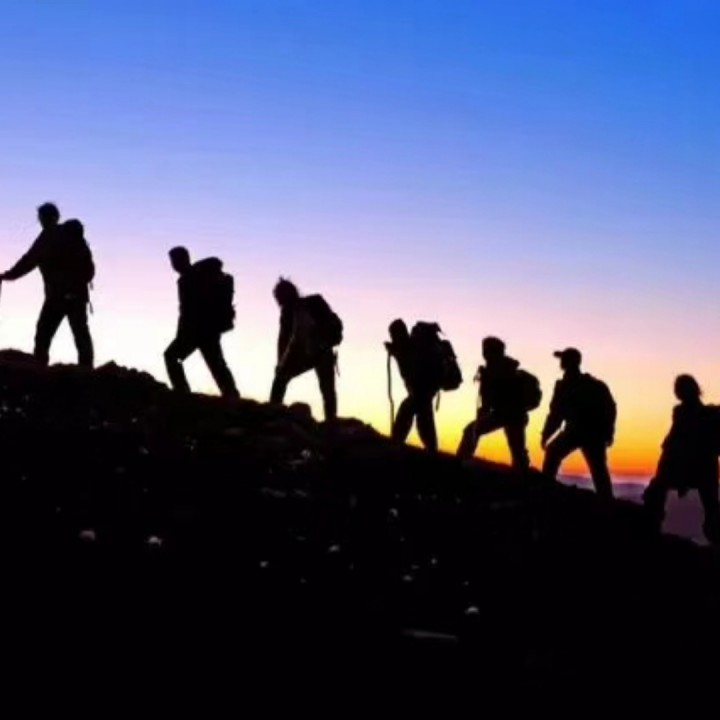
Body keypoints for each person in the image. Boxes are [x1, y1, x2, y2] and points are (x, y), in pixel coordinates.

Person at [0, 203, 95, 367]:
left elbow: (28, 261)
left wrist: (8, 275)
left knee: (43, 334)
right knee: (81, 334)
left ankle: (39, 369)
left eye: (41, 218)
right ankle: (87, 371)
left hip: (56, 296)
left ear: (45, 218)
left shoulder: (47, 237)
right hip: (78, 294)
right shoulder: (73, 236)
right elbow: (89, 268)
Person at [643, 375, 720, 545]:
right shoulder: (710, 415)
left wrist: (663, 471)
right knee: (712, 509)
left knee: (656, 491)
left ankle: (650, 530)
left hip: (688, 469)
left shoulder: (683, 413)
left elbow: (672, 444)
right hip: (704, 471)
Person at [164, 246, 240, 400]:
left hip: (197, 330)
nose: (173, 265)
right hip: (209, 329)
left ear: (184, 259)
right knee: (217, 364)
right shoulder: (197, 275)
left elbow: (187, 311)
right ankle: (231, 395)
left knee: (171, 356)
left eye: (175, 260)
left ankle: (182, 392)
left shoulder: (187, 279)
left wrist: (182, 333)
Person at [541, 348, 616, 500]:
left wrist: (546, 434)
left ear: (568, 363)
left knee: (553, 454)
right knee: (599, 470)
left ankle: (545, 491)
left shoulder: (564, 385)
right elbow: (610, 409)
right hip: (593, 433)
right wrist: (609, 432)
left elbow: (556, 414)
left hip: (576, 431)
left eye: (564, 359)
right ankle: (607, 502)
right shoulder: (596, 384)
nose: (561, 362)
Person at [456, 336, 539, 471]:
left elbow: (492, 397)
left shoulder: (499, 370)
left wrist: (484, 410)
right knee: (517, 449)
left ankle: (460, 463)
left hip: (510, 415)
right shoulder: (501, 368)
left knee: (473, 431)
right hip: (511, 414)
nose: (484, 352)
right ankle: (522, 472)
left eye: (486, 349)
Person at [269, 278, 342, 421]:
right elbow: (283, 340)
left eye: (279, 297)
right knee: (281, 379)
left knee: (327, 389)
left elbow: (283, 340)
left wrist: (280, 363)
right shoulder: (289, 313)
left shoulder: (314, 302)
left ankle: (331, 421)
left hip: (321, 351)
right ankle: (273, 411)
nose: (279, 301)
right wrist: (280, 363)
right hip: (308, 354)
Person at [385, 319, 440, 452]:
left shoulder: (414, 348)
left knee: (409, 413)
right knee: (424, 419)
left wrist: (395, 352)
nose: (393, 338)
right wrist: (395, 352)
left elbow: (411, 371)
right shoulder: (409, 347)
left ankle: (395, 445)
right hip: (423, 391)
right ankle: (431, 451)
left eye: (394, 334)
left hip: (422, 391)